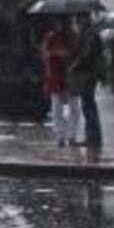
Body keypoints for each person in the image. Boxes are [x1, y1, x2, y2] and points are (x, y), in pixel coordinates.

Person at [41, 18, 79, 146]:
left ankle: (71, 135)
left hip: (70, 77)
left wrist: (68, 54)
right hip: (56, 76)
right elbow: (45, 54)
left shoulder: (73, 37)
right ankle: (61, 136)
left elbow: (78, 54)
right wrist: (56, 53)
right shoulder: (51, 37)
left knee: (73, 108)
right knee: (57, 108)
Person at [68, 14, 105, 149]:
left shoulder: (90, 34)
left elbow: (87, 55)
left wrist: (74, 65)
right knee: (87, 104)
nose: (76, 22)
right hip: (87, 73)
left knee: (89, 105)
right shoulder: (86, 33)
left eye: (78, 19)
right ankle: (91, 136)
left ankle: (93, 137)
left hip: (88, 74)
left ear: (84, 19)